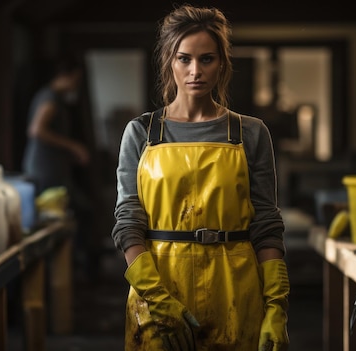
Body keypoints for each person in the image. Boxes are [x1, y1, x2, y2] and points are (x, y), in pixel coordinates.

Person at [111, 4, 290, 350]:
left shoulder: (250, 133)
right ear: (169, 62)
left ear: (222, 63)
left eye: (207, 59)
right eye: (184, 59)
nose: (196, 71)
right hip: (157, 289)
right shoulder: (142, 133)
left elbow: (266, 223)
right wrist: (156, 297)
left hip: (236, 293)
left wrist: (277, 305)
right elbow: (127, 221)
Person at [22, 56, 99, 278]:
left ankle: (68, 273)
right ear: (68, 76)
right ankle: (68, 273)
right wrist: (73, 147)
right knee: (67, 216)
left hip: (52, 167)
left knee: (70, 216)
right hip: (45, 170)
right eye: (76, 79)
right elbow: (37, 130)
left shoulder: (56, 98)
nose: (77, 85)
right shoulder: (50, 97)